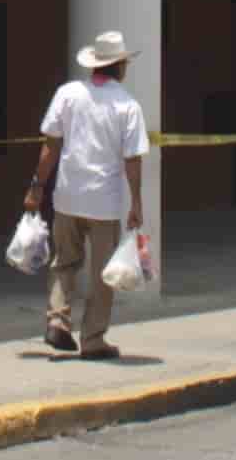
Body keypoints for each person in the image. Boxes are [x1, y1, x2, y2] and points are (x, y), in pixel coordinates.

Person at [26, 29, 149, 361]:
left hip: (66, 196)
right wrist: (136, 203)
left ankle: (57, 321)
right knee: (102, 274)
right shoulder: (127, 106)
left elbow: (50, 145)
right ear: (119, 65)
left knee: (63, 262)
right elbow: (132, 159)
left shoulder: (67, 94)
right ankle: (93, 339)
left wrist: (37, 187)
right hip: (104, 203)